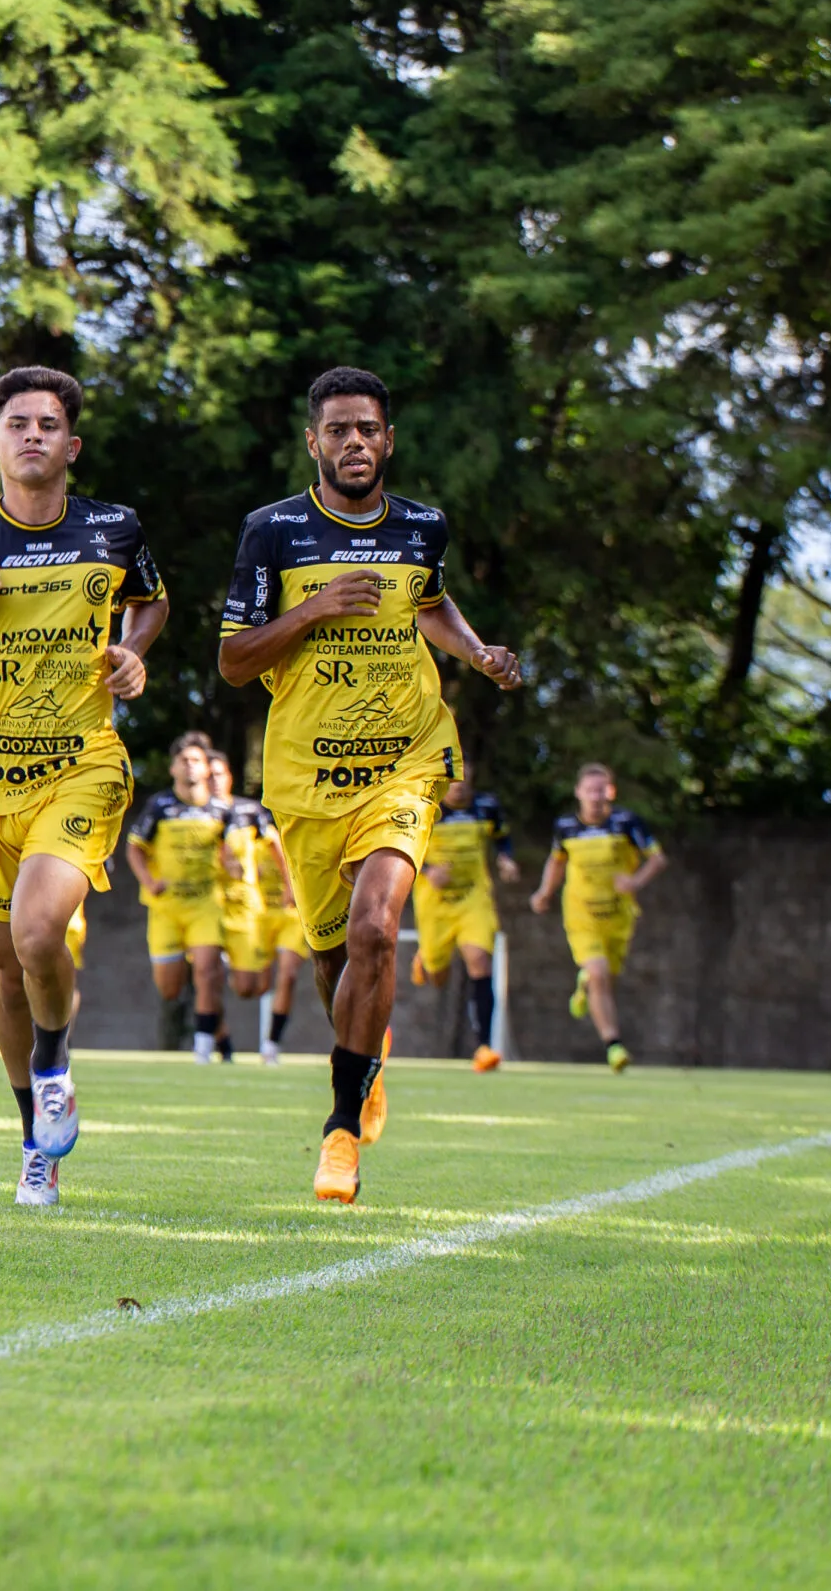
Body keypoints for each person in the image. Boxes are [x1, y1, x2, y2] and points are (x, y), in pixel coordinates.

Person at [217, 365, 522, 1205]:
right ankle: (366, 1058)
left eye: (369, 429)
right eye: (339, 430)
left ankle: (341, 1127)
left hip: (407, 757)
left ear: (388, 440)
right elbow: (234, 659)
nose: (355, 442)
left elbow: (430, 603)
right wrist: (312, 610)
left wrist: (478, 651)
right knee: (329, 956)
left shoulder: (422, 526)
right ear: (312, 442)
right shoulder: (272, 532)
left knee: (377, 930)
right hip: (306, 775)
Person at [0, 365, 168, 1207]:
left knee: (39, 929)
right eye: (17, 424)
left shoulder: (114, 528)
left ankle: (54, 1064)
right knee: (9, 970)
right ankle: (34, 1143)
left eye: (48, 424)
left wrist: (133, 651)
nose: (33, 437)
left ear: (71, 443)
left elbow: (152, 602)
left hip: (82, 768)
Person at [530, 762, 666, 1071]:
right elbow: (556, 862)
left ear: (612, 792)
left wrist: (635, 882)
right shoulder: (566, 827)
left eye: (602, 789)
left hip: (619, 915)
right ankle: (613, 1046)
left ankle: (584, 986)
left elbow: (657, 859)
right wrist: (544, 893)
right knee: (599, 972)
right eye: (590, 790)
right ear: (578, 793)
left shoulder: (627, 823)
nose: (595, 796)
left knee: (607, 978)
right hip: (581, 913)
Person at [127, 732, 233, 1065]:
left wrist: (233, 864)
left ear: (206, 769)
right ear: (173, 768)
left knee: (207, 971)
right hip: (166, 909)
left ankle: (203, 1048)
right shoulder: (160, 806)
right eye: (184, 760)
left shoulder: (220, 810)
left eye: (197, 761)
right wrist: (148, 880)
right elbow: (134, 847)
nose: (190, 766)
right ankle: (212, 1030)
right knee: (170, 990)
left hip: (205, 905)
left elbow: (231, 849)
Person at [409, 778, 522, 1070]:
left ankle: (484, 1047)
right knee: (438, 976)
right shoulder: (424, 808)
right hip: (435, 902)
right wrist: (429, 871)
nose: (459, 786)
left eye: (464, 778)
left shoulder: (486, 807)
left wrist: (506, 859)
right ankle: (426, 957)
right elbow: (403, 845)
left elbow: (501, 836)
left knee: (479, 961)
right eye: (453, 780)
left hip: (474, 897)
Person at [207, 750, 285, 1063]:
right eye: (207, 774)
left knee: (248, 987)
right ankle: (221, 1046)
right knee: (205, 973)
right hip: (208, 904)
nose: (212, 780)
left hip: (245, 907)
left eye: (218, 773)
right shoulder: (190, 812)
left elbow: (274, 845)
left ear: (229, 777)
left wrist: (288, 885)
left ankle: (231, 966)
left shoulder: (249, 810)